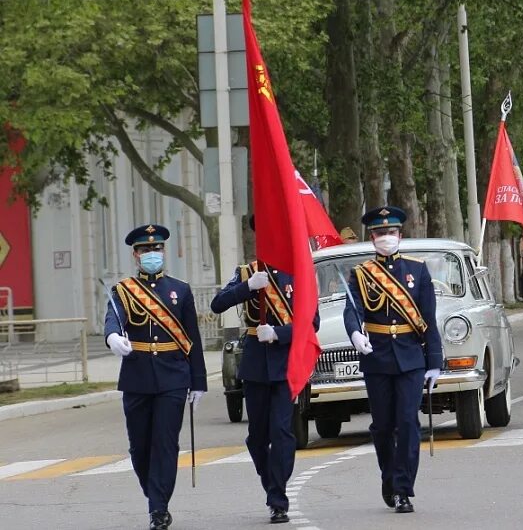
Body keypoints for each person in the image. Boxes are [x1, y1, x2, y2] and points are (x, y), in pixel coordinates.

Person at [209, 215, 320, 524]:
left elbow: (313, 323)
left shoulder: (299, 271)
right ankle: (272, 482)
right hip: (256, 363)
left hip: (286, 362)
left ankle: (278, 498)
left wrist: (280, 333)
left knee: (282, 432)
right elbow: (217, 304)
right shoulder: (247, 272)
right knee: (257, 436)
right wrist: (247, 287)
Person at [104, 224, 207, 530]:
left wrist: (198, 381)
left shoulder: (181, 290)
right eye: (146, 250)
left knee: (165, 443)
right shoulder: (123, 291)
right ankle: (155, 496)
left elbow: (193, 339)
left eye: (157, 249)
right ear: (136, 256)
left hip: (173, 376)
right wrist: (112, 337)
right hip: (137, 376)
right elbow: (114, 317)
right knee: (139, 447)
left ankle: (158, 509)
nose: (153, 254)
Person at [343, 206, 442, 514]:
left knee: (408, 423)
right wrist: (354, 334)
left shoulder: (418, 270)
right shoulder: (360, 274)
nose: (386, 238)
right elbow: (353, 309)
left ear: (400, 235)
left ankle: (403, 489)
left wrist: (434, 361)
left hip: (411, 358)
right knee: (383, 427)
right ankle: (389, 476)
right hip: (378, 359)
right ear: (371, 238)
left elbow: (428, 317)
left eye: (391, 233)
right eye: (380, 233)